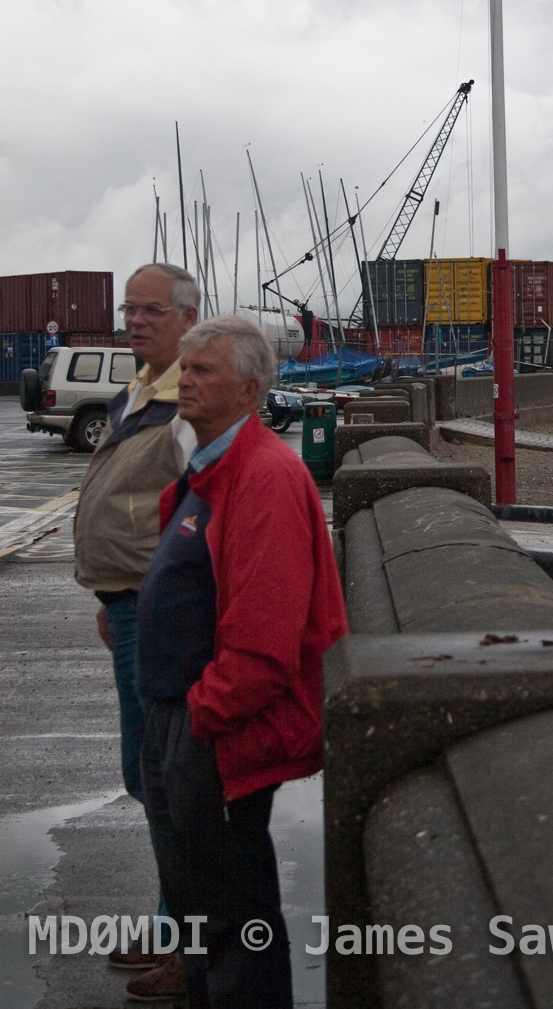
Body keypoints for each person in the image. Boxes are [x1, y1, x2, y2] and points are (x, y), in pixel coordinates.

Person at [132, 314, 347, 1007]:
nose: (185, 381)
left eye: (204, 371)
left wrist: (202, 719)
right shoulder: (212, 467)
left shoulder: (264, 476)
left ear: (250, 389)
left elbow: (265, 640)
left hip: (214, 732)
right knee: (198, 911)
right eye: (184, 369)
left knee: (230, 916)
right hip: (180, 720)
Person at [73, 262, 200, 983]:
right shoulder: (140, 392)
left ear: (188, 317)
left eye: (152, 310)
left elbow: (195, 509)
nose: (136, 321)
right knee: (148, 769)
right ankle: (171, 921)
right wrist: (110, 596)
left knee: (165, 772)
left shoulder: (188, 401)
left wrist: (145, 596)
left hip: (158, 610)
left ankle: (186, 937)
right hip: (129, 603)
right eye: (130, 309)